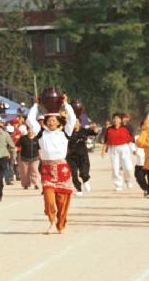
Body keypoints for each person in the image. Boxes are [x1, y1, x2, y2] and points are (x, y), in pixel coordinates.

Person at [26, 95, 76, 232]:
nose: (51, 122)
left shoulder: (65, 133)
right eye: (49, 120)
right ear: (46, 122)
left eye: (54, 120)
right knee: (49, 198)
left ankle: (61, 223)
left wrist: (66, 104)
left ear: (59, 122)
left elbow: (73, 119)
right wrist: (35, 105)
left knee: (62, 200)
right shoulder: (41, 133)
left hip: (62, 169)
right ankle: (52, 221)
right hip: (47, 169)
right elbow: (30, 120)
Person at [101, 113, 135, 191]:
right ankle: (118, 184)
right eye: (114, 118)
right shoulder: (109, 129)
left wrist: (133, 149)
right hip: (113, 149)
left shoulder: (126, 128)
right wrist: (103, 150)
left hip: (124, 148)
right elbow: (106, 141)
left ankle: (128, 180)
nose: (115, 120)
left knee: (128, 167)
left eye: (117, 118)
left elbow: (131, 139)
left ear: (120, 120)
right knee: (115, 168)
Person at [67, 119, 95, 195]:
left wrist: (94, 129)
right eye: (73, 122)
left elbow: (94, 133)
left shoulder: (84, 130)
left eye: (76, 122)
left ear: (79, 123)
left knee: (84, 171)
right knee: (73, 174)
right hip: (71, 156)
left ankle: (85, 181)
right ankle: (79, 189)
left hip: (82, 155)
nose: (74, 124)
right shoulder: (68, 131)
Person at [17, 125, 41, 190]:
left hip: (35, 158)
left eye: (31, 130)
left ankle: (35, 183)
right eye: (29, 130)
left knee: (35, 171)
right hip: (24, 158)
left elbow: (39, 148)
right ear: (27, 131)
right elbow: (17, 145)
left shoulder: (36, 139)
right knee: (24, 172)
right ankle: (25, 184)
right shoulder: (23, 138)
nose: (30, 131)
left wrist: (40, 157)